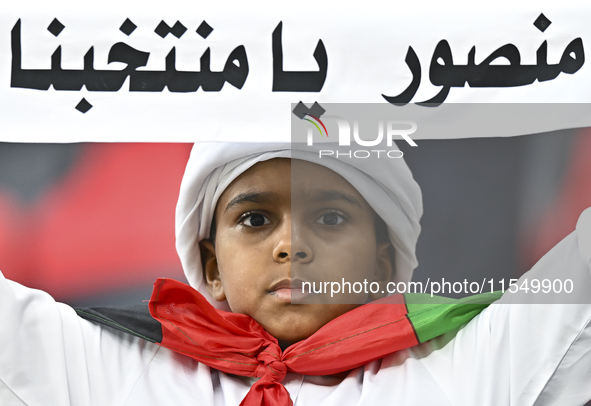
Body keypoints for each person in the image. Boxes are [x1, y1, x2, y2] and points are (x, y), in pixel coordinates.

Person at [1, 142, 591, 405]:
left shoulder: (466, 367)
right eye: (255, 219)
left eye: (331, 217)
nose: (291, 245)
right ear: (210, 265)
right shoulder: (114, 369)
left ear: (384, 261)